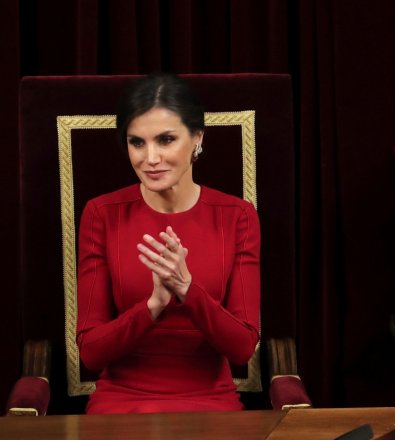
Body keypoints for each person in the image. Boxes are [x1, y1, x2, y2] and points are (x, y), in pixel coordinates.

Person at [76, 73, 260, 413]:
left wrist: (187, 289)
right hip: (121, 403)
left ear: (197, 139)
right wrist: (153, 306)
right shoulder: (101, 214)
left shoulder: (237, 215)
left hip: (210, 403)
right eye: (137, 143)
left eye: (165, 140)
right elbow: (90, 352)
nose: (150, 158)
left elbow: (242, 347)